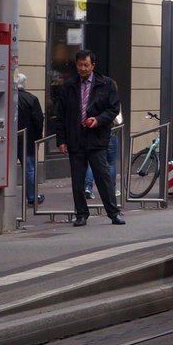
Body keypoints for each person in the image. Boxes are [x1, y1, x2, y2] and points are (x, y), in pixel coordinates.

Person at [53, 50, 125, 226]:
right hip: (75, 138)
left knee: (103, 176)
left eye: (86, 65)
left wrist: (98, 120)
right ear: (76, 65)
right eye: (79, 65)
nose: (83, 68)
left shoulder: (106, 84)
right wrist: (61, 140)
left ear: (93, 65)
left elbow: (113, 109)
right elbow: (60, 116)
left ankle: (113, 213)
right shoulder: (69, 86)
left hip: (96, 137)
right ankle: (81, 214)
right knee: (78, 180)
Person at [15, 74, 45, 206]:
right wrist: (38, 138)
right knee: (29, 169)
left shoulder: (9, 99)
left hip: (10, 140)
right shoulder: (31, 99)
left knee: (6, 168)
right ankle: (32, 197)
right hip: (28, 140)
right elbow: (38, 121)